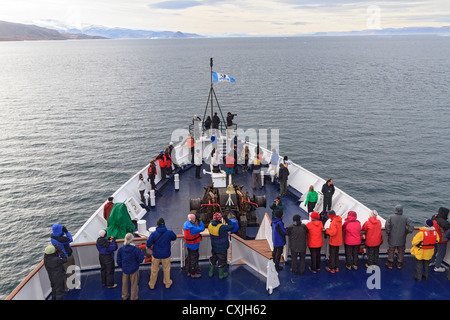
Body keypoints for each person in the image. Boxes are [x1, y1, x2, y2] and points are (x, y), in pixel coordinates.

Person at [147, 218, 177, 289]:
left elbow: (148, 244)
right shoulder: (169, 232)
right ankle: (167, 283)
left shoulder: (154, 234)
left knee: (154, 270)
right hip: (166, 255)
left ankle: (152, 284)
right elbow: (174, 237)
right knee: (166, 269)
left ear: (157, 225)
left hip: (156, 255)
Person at [384, 204, 414, 269]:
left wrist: (388, 233)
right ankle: (399, 264)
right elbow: (411, 227)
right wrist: (407, 232)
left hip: (392, 238)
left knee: (391, 250)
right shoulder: (406, 218)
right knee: (401, 251)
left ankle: (390, 263)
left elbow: (387, 227)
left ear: (395, 210)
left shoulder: (390, 217)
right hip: (402, 238)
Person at [116, 233, 144, 300]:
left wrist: (121, 266)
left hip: (125, 269)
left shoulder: (121, 249)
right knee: (134, 284)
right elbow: (140, 259)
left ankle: (125, 296)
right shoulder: (135, 249)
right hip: (134, 269)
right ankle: (133, 297)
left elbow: (118, 259)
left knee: (124, 284)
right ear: (132, 239)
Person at [208, 212, 235, 279]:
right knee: (221, 261)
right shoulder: (222, 227)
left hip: (214, 246)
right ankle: (221, 275)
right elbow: (232, 226)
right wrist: (226, 219)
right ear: (220, 219)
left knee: (213, 258)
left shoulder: (210, 224)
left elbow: (212, 221)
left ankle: (211, 272)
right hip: (222, 247)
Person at [50, 224, 75, 291]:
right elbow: (70, 239)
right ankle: (74, 284)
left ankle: (66, 288)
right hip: (67, 257)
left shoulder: (52, 237)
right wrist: (66, 231)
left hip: (59, 257)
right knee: (71, 271)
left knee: (63, 273)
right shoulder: (62, 240)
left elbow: (59, 236)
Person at [183, 213, 205, 278]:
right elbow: (202, 228)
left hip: (188, 244)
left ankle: (188, 272)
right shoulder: (193, 228)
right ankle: (193, 273)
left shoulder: (186, 224)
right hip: (194, 246)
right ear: (192, 220)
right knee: (194, 259)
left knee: (189, 257)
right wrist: (200, 221)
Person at [430, 207, 450, 272]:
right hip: (442, 240)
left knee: (434, 251)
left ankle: (431, 262)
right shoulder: (445, 223)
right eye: (447, 214)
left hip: (435, 238)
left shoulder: (434, 217)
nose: (448, 215)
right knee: (441, 253)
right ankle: (437, 267)